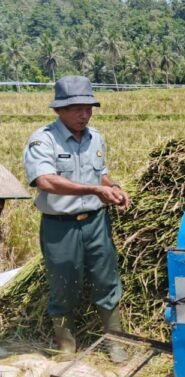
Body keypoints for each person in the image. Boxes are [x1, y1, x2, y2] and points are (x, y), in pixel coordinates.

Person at [23, 76, 131, 362]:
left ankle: (115, 341)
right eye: (76, 109)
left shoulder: (96, 138)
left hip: (96, 221)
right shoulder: (43, 140)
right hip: (61, 226)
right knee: (64, 284)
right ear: (59, 110)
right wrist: (94, 189)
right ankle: (66, 345)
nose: (84, 114)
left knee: (107, 281)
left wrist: (113, 188)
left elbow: (101, 174)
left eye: (88, 108)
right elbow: (44, 180)